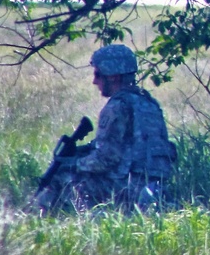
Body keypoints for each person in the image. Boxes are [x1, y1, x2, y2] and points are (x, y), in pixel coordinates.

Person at [34, 44, 177, 213]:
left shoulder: (117, 106)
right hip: (154, 186)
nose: (95, 81)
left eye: (98, 75)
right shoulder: (148, 103)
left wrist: (73, 163)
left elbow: (105, 159)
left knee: (62, 177)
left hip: (127, 188)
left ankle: (53, 218)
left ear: (113, 77)